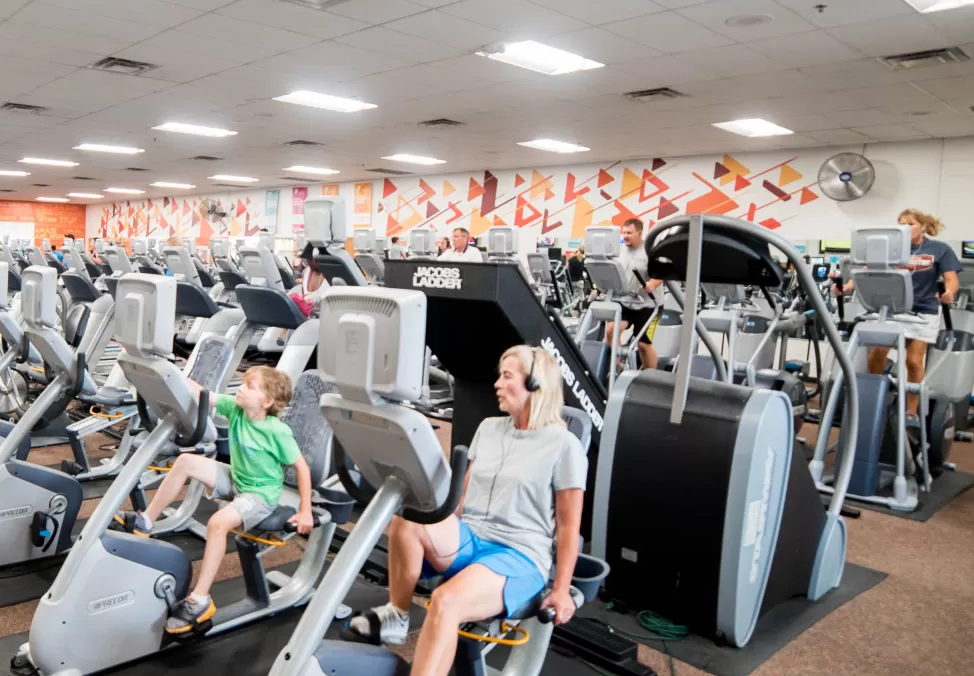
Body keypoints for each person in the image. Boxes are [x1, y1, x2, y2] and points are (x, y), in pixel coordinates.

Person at [347, 346, 586, 675]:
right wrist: (439, 534)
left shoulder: (564, 445)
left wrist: (561, 590)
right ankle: (397, 615)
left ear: (534, 384)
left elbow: (569, 527)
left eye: (507, 376)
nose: (497, 384)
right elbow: (460, 500)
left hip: (518, 556)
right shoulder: (488, 428)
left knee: (446, 600)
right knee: (410, 516)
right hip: (471, 538)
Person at [115, 367, 314, 634]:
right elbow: (201, 392)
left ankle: (200, 599)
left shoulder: (277, 431)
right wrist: (164, 371)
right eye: (243, 383)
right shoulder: (236, 408)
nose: (241, 388)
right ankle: (146, 521)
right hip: (237, 478)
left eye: (250, 386)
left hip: (260, 495)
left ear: (266, 402)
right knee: (186, 461)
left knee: (217, 523)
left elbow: (302, 468)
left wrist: (305, 512)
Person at [839, 209, 961, 413]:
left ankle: (911, 410)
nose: (904, 228)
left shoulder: (940, 249)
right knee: (877, 353)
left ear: (923, 226)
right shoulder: (890, 247)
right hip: (891, 308)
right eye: (901, 224)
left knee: (913, 360)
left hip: (922, 311)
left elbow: (951, 279)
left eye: (910, 224)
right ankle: (873, 401)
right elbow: (868, 268)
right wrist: (848, 286)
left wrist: (949, 292)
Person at [614, 218, 663, 369]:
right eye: (623, 232)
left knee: (643, 344)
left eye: (629, 233)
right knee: (611, 330)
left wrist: (652, 284)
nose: (625, 236)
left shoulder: (650, 251)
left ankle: (651, 377)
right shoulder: (620, 251)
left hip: (649, 305)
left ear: (639, 233)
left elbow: (662, 273)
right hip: (627, 301)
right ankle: (615, 368)